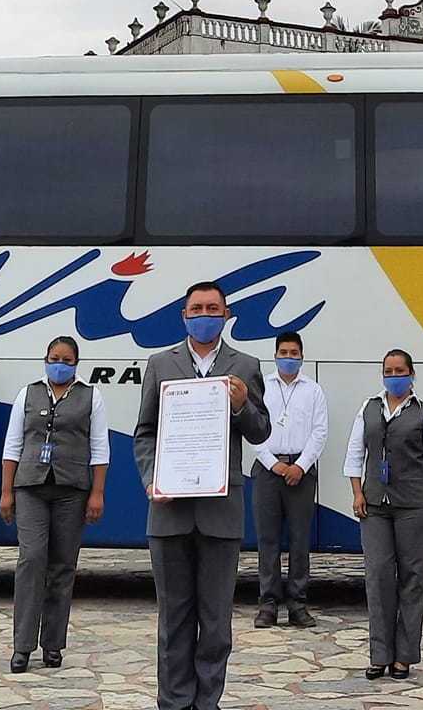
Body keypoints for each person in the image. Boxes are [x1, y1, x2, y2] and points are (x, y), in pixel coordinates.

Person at [134, 280, 271, 710]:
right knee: (173, 618)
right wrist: (152, 479)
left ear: (226, 315)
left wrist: (242, 405)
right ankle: (174, 702)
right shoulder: (160, 364)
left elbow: (261, 431)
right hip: (169, 512)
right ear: (184, 315)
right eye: (197, 309)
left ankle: (207, 702)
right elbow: (145, 433)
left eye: (213, 308)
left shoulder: (245, 365)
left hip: (221, 512)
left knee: (215, 620)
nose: (205, 315)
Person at [0, 336, 109, 672]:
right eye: (54, 358)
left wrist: (97, 493)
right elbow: (13, 445)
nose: (59, 365)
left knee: (63, 565)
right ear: (45, 359)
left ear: (76, 363)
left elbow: (100, 448)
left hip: (71, 489)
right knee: (31, 559)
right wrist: (6, 492)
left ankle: (53, 644)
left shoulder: (91, 396)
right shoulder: (27, 393)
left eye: (67, 360)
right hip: (30, 486)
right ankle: (22, 645)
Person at [345, 348, 423, 682]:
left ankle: (404, 656)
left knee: (412, 579)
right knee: (377, 576)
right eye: (388, 371)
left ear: (412, 374)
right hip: (374, 506)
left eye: (400, 371)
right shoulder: (369, 408)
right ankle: (380, 655)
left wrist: (414, 480)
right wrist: (358, 492)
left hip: (414, 507)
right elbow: (355, 453)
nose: (393, 376)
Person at [248, 330, 328, 629]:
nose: (288, 358)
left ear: (302, 356)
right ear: (275, 355)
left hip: (301, 473)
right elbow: (252, 429)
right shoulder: (262, 388)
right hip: (267, 470)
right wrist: (274, 464)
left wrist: (301, 466)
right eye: (284, 353)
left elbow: (319, 432)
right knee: (267, 540)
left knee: (299, 540)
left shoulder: (313, 390)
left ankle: (298, 605)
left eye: (294, 353)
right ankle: (267, 606)